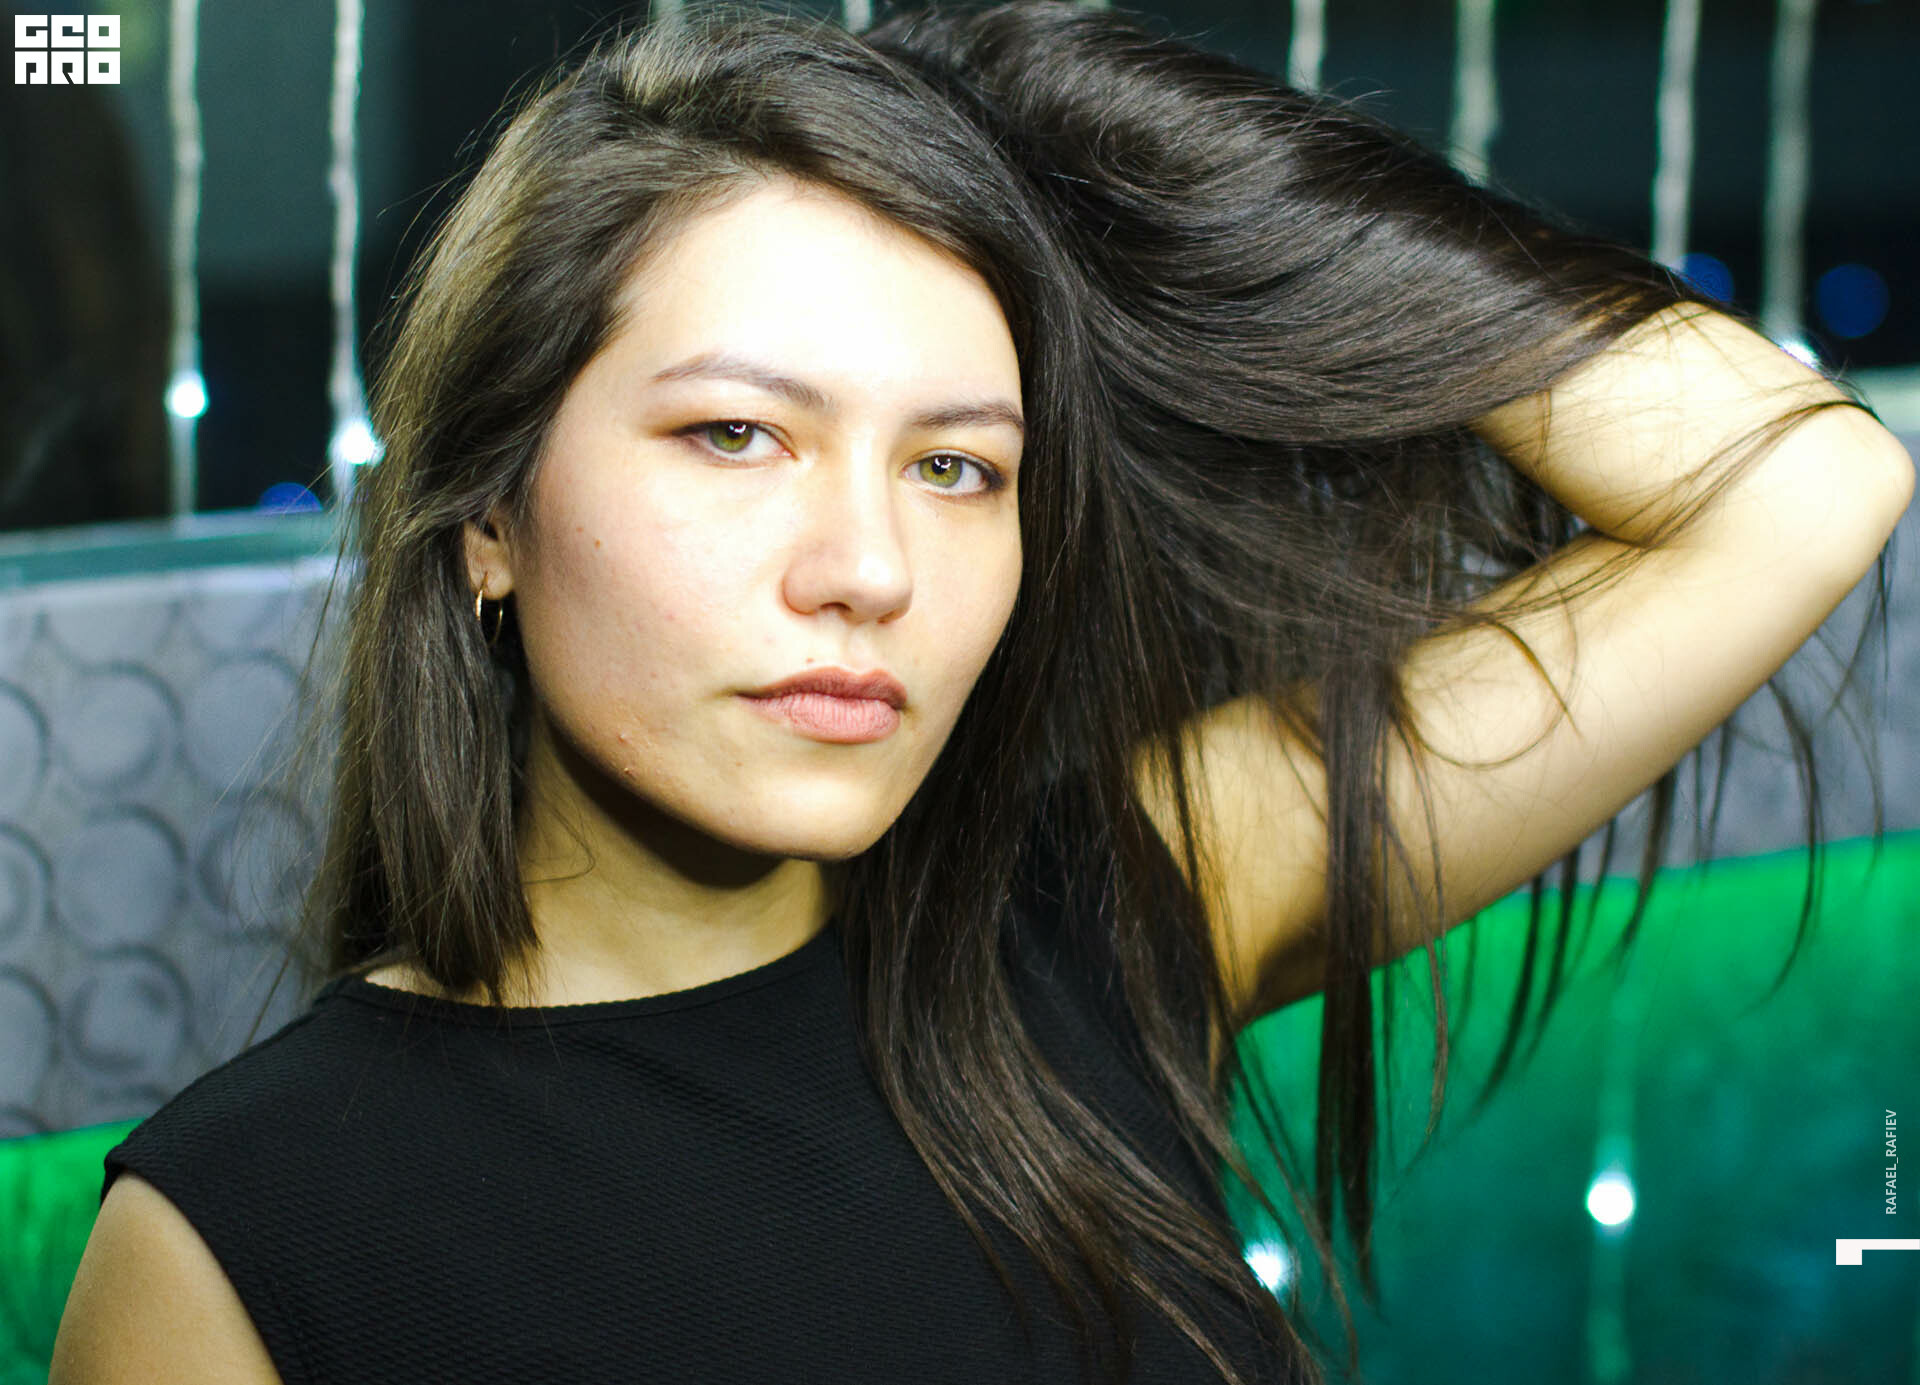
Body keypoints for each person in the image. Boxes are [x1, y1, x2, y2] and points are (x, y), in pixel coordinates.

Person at [50, 3, 1913, 1383]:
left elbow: (1804, 485)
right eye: (736, 433)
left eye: (958, 465)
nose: (869, 565)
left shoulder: (1111, 911)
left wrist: (1095, 112)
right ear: (489, 517)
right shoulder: (243, 1236)